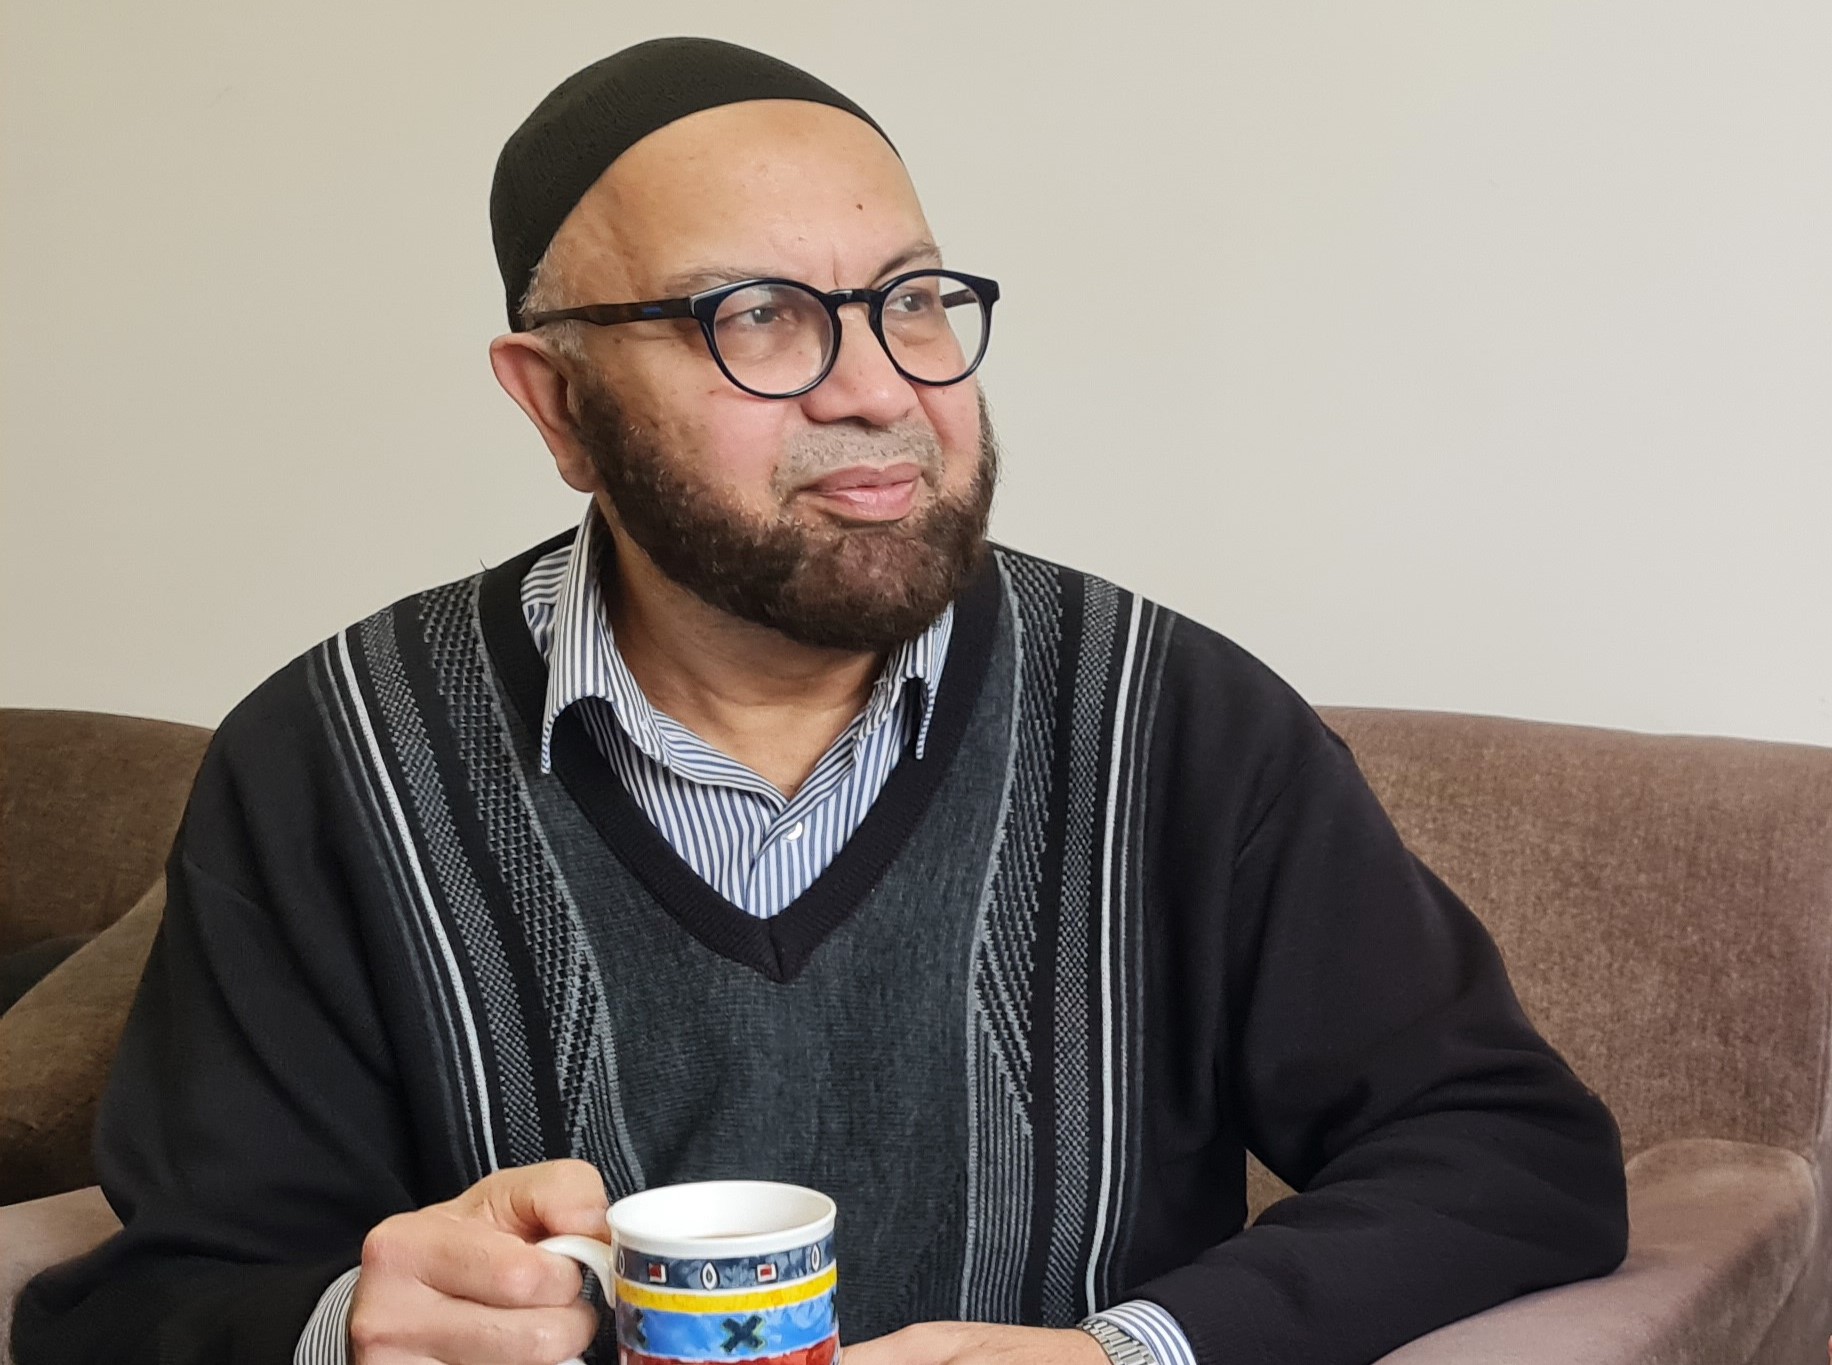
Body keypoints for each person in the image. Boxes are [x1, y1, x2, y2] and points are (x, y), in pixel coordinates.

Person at [13, 36, 1627, 1365]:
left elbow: (1511, 1153)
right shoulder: (334, 757)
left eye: (913, 300)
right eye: (757, 315)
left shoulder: (1174, 722)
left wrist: (1128, 1353)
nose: (878, 385)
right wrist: (346, 1324)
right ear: (556, 403)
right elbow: (142, 1297)